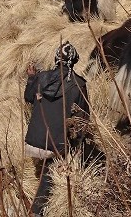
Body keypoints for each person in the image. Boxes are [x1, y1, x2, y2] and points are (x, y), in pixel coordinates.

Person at [24, 41, 90, 217]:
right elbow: (82, 120)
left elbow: (29, 97)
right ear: (74, 60)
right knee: (50, 168)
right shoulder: (79, 85)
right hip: (55, 144)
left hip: (32, 139)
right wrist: (77, 147)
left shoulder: (41, 77)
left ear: (56, 59)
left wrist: (31, 77)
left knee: (46, 164)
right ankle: (36, 211)